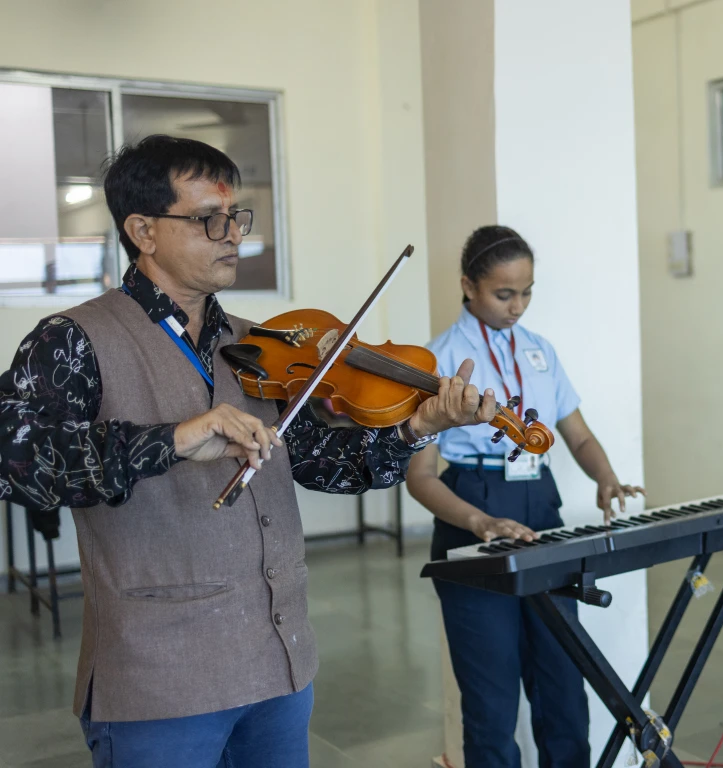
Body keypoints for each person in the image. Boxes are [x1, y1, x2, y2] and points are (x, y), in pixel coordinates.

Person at [0, 135, 494, 768]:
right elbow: (16, 458)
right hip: (159, 680)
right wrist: (172, 440)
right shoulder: (75, 339)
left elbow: (326, 464)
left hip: (278, 664)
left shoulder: (260, 347)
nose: (231, 233)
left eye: (236, 217)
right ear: (144, 230)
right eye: (209, 219)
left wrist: (414, 429)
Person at [407, 225, 644, 768]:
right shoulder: (438, 358)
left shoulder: (540, 350)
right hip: (473, 502)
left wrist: (605, 477)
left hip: (541, 502)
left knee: (562, 675)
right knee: (490, 691)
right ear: (469, 286)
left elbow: (577, 435)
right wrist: (479, 521)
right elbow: (421, 475)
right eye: (504, 293)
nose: (518, 306)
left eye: (527, 292)